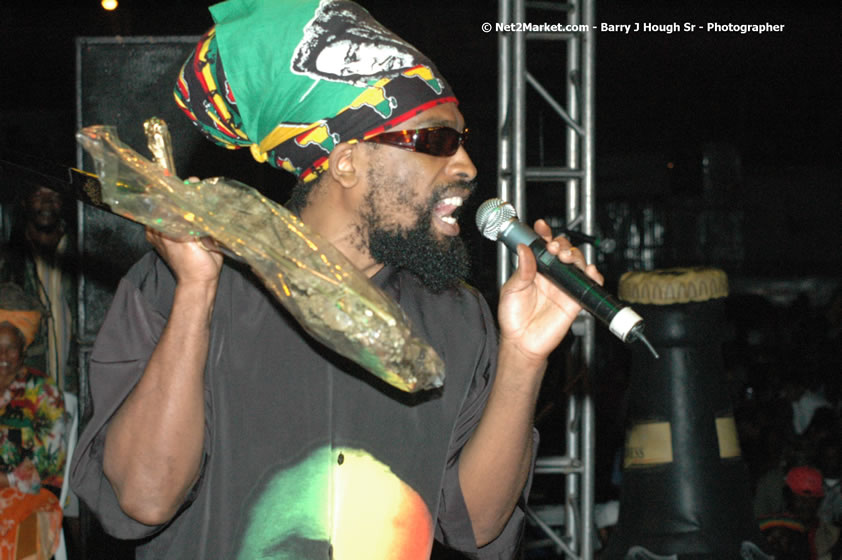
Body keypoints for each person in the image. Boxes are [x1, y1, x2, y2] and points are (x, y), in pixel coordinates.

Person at [69, 1, 602, 558]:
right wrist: (196, 293)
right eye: (435, 141)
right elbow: (144, 498)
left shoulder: (459, 319)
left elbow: (477, 525)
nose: (467, 165)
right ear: (346, 162)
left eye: (461, 139)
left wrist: (524, 356)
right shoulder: (186, 282)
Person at [0, 283, 66, 559]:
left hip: (33, 495)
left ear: (23, 349)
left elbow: (50, 461)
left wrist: (7, 480)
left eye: (10, 348)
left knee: (22, 542)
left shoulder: (42, 391)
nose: (2, 356)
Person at [0, 184, 77, 395]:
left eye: (54, 195)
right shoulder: (8, 261)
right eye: (38, 195)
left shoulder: (83, 254)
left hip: (77, 388)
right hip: (26, 395)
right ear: (24, 202)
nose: (46, 203)